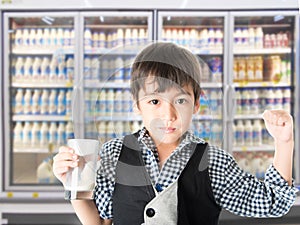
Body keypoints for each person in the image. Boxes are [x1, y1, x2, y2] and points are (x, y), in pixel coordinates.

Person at [53, 42, 297, 225]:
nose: (168, 115)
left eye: (180, 100)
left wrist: (284, 143)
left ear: (197, 103)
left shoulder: (214, 162)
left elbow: (273, 203)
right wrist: (74, 185)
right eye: (155, 101)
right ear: (137, 104)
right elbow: (102, 222)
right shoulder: (113, 154)